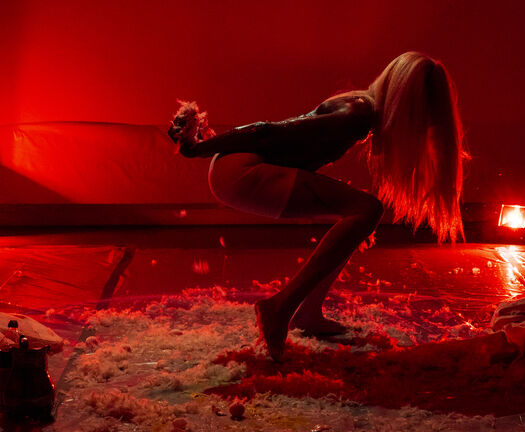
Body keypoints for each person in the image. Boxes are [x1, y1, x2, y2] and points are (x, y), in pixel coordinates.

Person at [168, 51, 469, 361]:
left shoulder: (362, 109)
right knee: (367, 210)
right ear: (406, 104)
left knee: (358, 215)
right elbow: (267, 130)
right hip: (240, 171)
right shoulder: (358, 113)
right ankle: (280, 307)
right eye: (422, 118)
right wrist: (201, 149)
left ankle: (308, 314)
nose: (421, 128)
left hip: (236, 170)